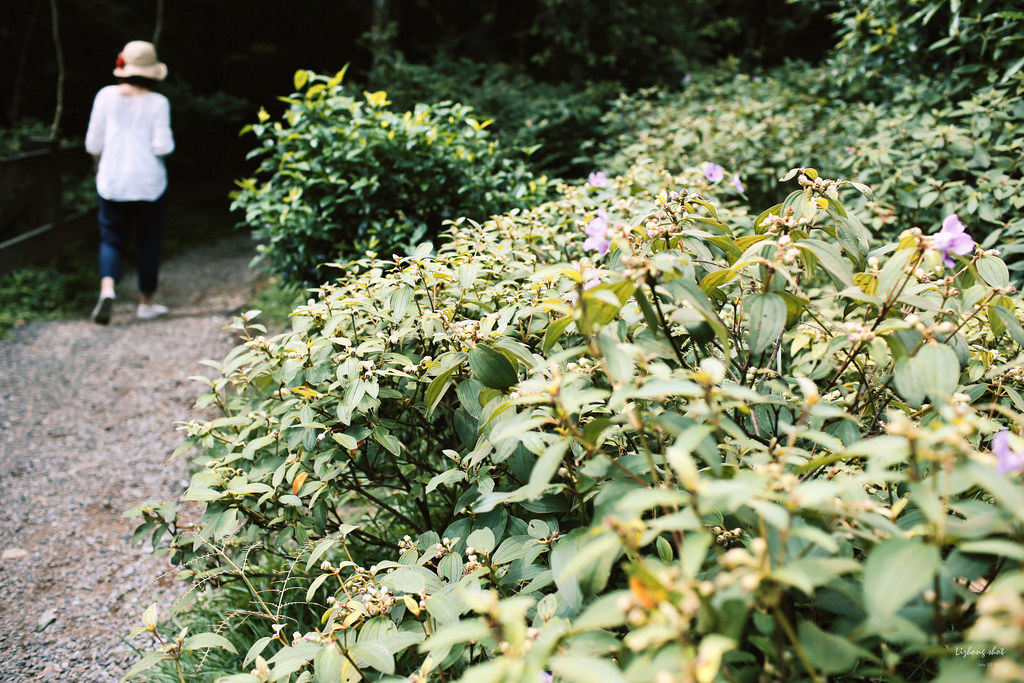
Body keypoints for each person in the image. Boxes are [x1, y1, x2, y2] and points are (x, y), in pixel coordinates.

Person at [85, 40, 174, 324]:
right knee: (148, 241)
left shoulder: (105, 96)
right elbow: (163, 147)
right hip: (149, 182)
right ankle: (146, 303)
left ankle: (108, 288)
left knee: (111, 239)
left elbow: (92, 143)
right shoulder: (159, 102)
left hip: (112, 181)